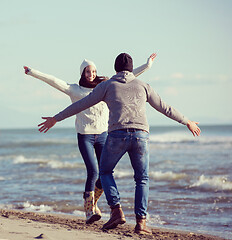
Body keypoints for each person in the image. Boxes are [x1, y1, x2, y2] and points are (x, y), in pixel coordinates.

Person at [37, 53, 201, 235]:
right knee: (142, 179)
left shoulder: (107, 85)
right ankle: (141, 223)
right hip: (141, 136)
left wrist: (56, 119)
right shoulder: (143, 85)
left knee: (105, 172)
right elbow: (165, 107)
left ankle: (116, 210)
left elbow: (81, 104)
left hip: (117, 136)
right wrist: (187, 121)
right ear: (131, 69)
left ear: (115, 68)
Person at [24, 53, 156, 224]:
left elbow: (128, 75)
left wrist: (147, 65)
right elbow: (54, 80)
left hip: (103, 134)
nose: (91, 74)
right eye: (88, 72)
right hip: (85, 135)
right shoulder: (74, 90)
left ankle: (91, 203)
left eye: (93, 71)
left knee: (104, 174)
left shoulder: (105, 85)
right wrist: (32, 72)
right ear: (82, 73)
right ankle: (89, 212)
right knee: (93, 171)